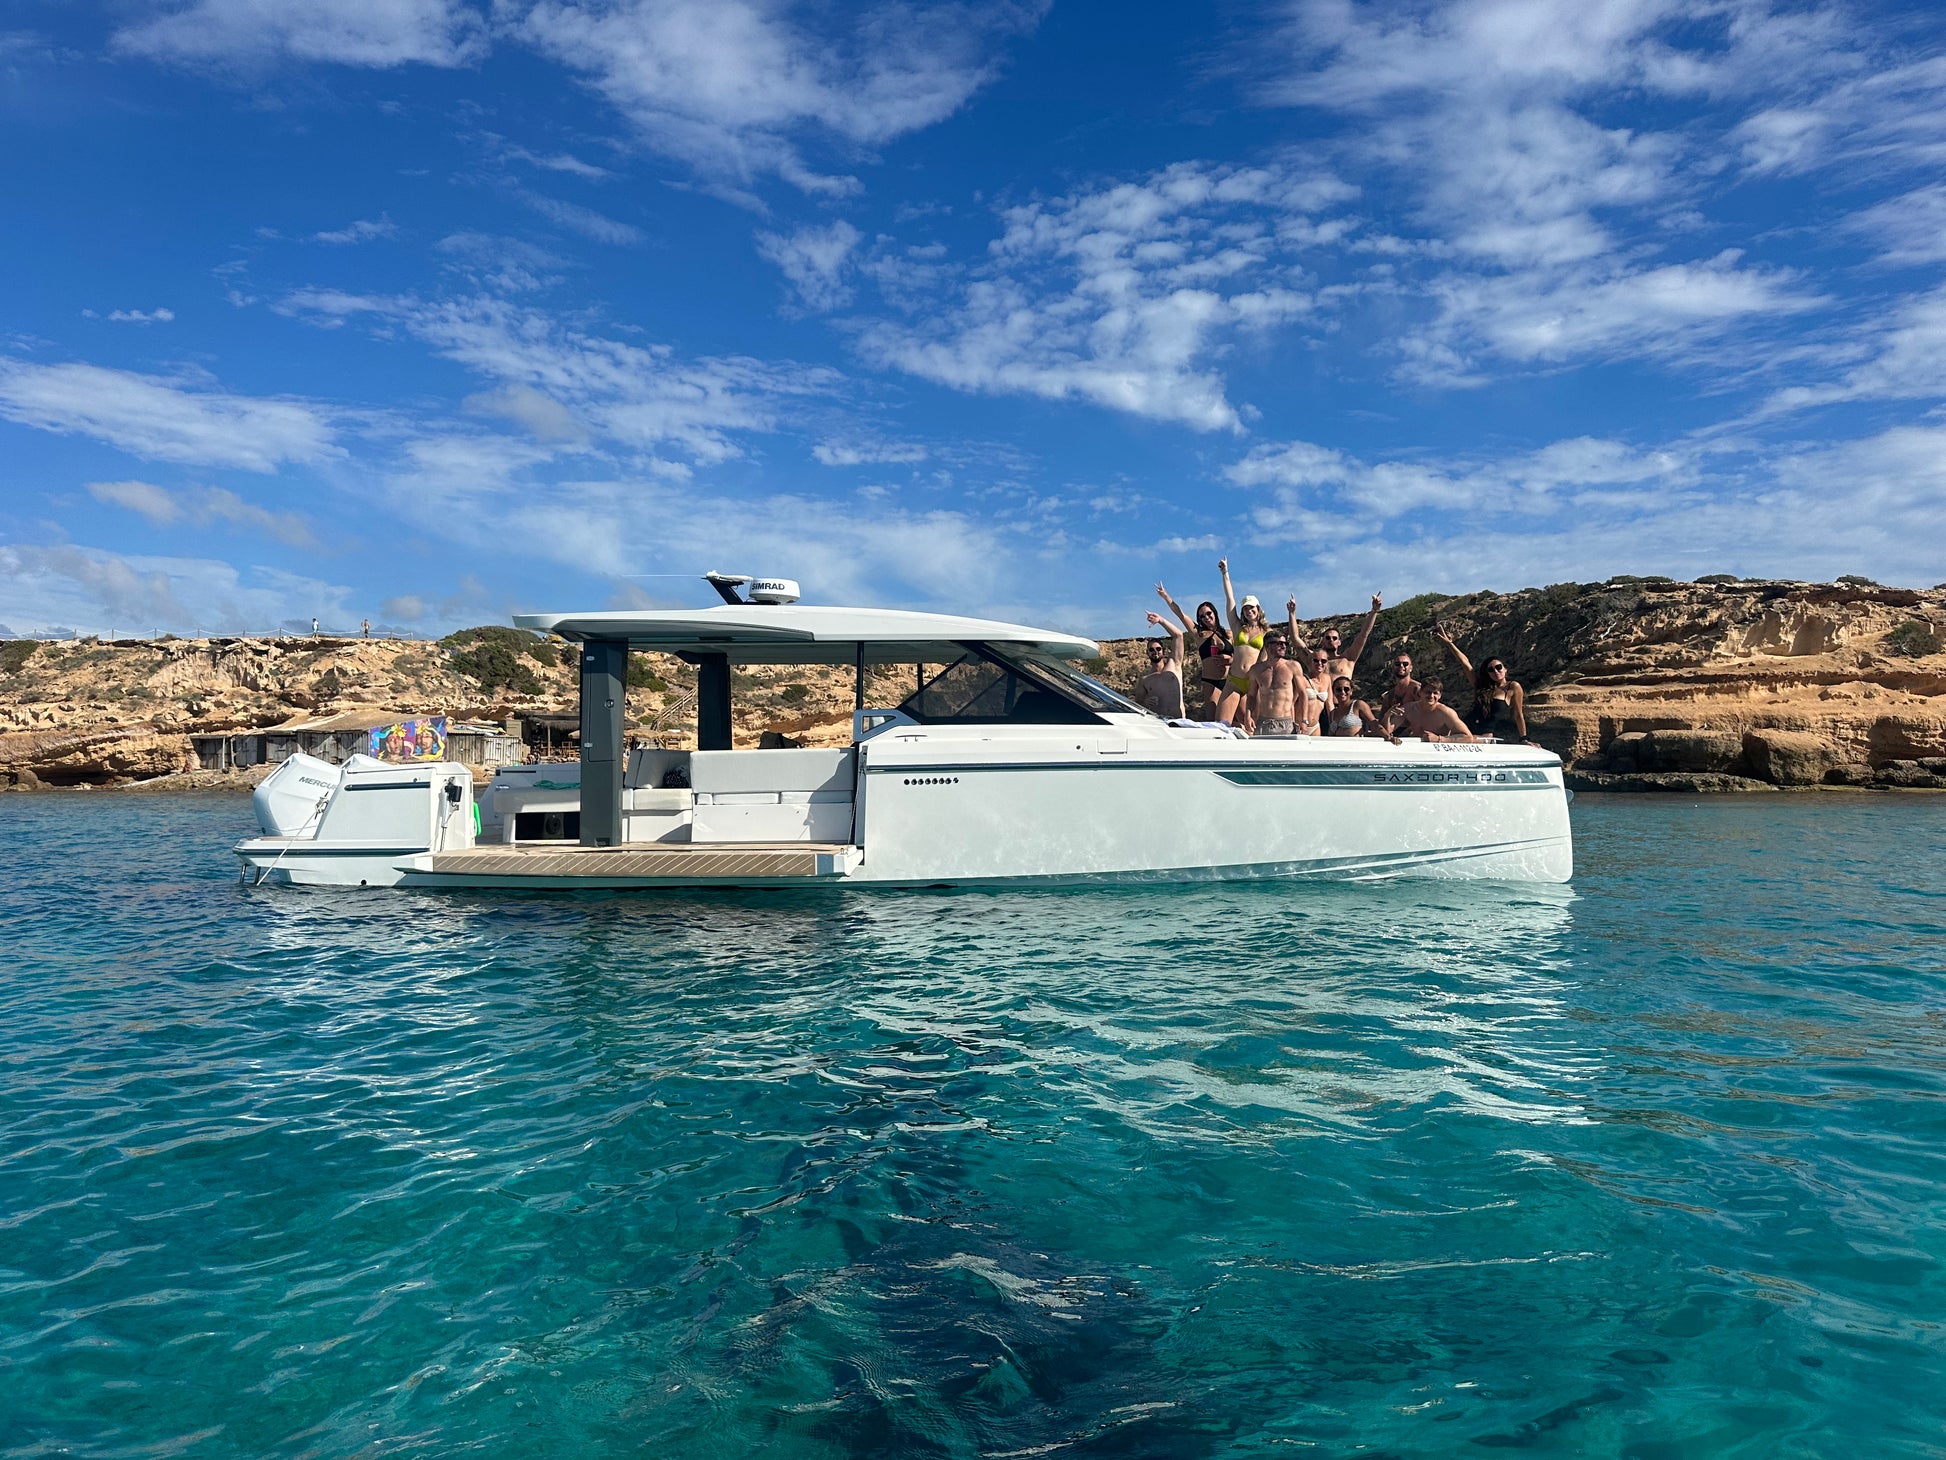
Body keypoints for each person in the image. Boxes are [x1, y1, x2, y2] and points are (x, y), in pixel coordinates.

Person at [1431, 623, 1528, 741]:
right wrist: (1449, 643)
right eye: (1491, 669)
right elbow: (1465, 663)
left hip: (1482, 737)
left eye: (1498, 667)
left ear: (1505, 669)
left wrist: (1524, 738)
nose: (1496, 671)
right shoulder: (1481, 686)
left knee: (1441, 739)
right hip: (1464, 729)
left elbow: (1518, 714)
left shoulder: (1513, 687)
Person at [1156, 583, 1231, 717]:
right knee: (1215, 720)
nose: (1206, 617)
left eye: (1208, 613)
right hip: (1211, 682)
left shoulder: (1229, 634)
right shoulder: (1199, 634)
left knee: (1239, 718)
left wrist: (1230, 660)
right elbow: (1181, 614)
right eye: (1202, 616)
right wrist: (1166, 596)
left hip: (1230, 680)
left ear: (1214, 613)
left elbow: (1240, 657)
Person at [1218, 559, 1272, 729]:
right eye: (1246, 609)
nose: (1249, 611)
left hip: (1253, 683)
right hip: (1234, 680)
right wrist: (1225, 573)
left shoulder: (1267, 632)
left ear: (1258, 609)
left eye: (1252, 608)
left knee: (1252, 728)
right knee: (1221, 725)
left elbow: (1268, 660)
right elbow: (1230, 598)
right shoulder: (1237, 627)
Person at [1245, 630, 1300, 736]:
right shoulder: (1256, 670)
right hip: (1264, 722)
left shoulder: (1292, 666)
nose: (1283, 646)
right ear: (1267, 646)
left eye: (1285, 643)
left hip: (1286, 722)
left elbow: (1303, 694)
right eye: (1279, 643)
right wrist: (1247, 716)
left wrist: (1304, 720)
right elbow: (1251, 695)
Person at [1135, 612, 1186, 719]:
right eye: (1151, 649)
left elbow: (1178, 635)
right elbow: (1137, 703)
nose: (1155, 652)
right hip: (1159, 723)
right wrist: (1145, 702)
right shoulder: (1145, 680)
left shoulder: (1174, 665)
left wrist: (1160, 620)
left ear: (1163, 651)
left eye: (1158, 649)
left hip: (1178, 721)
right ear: (1147, 652)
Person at [1392, 679, 1476, 741]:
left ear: (1439, 696)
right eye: (1428, 692)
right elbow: (1388, 730)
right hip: (1417, 749)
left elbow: (1468, 737)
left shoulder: (1445, 713)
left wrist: (1439, 739)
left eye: (1435, 693)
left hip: (1438, 751)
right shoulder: (1409, 709)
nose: (1431, 696)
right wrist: (1388, 715)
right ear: (1420, 692)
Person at [1322, 676, 1396, 742]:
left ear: (1351, 691)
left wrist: (1388, 737)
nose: (1342, 692)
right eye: (1338, 689)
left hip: (1356, 748)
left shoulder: (1358, 705)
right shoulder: (1332, 713)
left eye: (1346, 689)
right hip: (1338, 749)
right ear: (1334, 692)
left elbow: (1374, 724)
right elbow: (1330, 736)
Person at [1377, 648, 1421, 722]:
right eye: (1397, 664)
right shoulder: (1389, 695)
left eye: (1405, 664)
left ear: (1410, 668)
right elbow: (1381, 719)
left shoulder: (1417, 689)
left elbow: (1427, 712)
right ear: (1393, 668)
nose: (1401, 666)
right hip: (1394, 728)